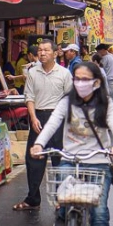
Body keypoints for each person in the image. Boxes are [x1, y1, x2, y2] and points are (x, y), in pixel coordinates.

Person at [30, 62, 113, 226]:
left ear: (96, 82)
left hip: (98, 162)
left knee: (99, 214)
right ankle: (63, 213)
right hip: (70, 160)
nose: (80, 83)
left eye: (85, 79)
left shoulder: (105, 103)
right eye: (77, 79)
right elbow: (52, 124)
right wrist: (39, 144)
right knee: (61, 189)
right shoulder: (67, 102)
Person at [13, 40, 74, 211]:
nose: (42, 53)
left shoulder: (64, 73)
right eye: (40, 50)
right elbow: (29, 97)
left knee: (59, 158)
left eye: (46, 50)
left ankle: (61, 199)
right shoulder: (33, 72)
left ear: (55, 53)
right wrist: (33, 118)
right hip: (38, 117)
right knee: (34, 158)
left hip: (58, 118)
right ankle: (33, 199)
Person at [96, 44, 113, 122]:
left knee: (107, 102)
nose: (98, 53)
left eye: (98, 51)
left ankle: (108, 121)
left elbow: (101, 70)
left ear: (103, 50)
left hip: (109, 82)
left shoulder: (105, 58)